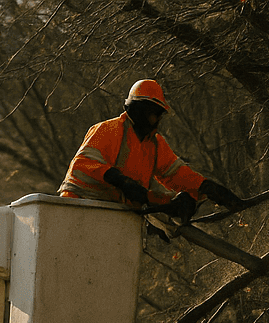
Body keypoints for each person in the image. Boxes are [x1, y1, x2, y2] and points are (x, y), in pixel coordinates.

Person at [58, 79, 241, 226]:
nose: (158, 118)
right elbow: (82, 165)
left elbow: (176, 173)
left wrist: (206, 187)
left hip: (116, 217)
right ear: (139, 110)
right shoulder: (108, 130)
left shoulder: (154, 144)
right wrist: (121, 181)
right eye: (155, 112)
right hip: (79, 209)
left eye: (160, 113)